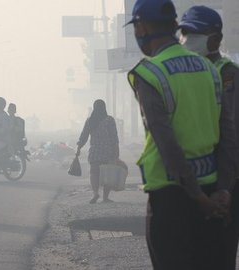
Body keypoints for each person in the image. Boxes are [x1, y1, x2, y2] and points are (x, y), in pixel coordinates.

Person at [126, 0, 231, 268]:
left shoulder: (148, 74)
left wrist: (198, 198)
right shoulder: (210, 68)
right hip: (212, 191)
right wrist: (221, 192)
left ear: (142, 27)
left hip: (171, 199)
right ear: (175, 26)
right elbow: (228, 134)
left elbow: (167, 144)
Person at [179, 6, 239, 269]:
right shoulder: (184, 71)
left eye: (195, 34)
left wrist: (224, 186)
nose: (187, 40)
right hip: (193, 177)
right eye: (185, 33)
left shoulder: (228, 74)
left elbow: (230, 133)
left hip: (224, 177)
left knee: (220, 253)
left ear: (215, 39)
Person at [77, 100, 119, 204]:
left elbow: (84, 136)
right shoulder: (109, 120)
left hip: (95, 150)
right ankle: (105, 197)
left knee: (94, 173)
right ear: (104, 107)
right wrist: (116, 151)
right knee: (107, 174)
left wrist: (79, 148)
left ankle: (95, 193)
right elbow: (114, 137)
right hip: (107, 151)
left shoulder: (90, 120)